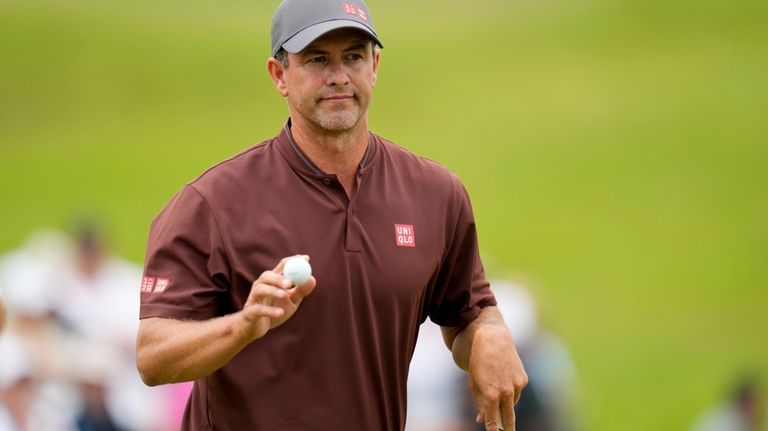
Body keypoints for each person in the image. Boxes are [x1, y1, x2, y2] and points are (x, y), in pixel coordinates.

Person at [135, 0, 528, 430]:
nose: (338, 76)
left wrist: (491, 334)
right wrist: (245, 325)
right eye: (317, 59)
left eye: (353, 57)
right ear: (279, 75)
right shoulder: (210, 205)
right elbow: (154, 358)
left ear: (374, 66)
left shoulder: (436, 194)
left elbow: (468, 313)